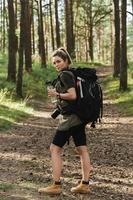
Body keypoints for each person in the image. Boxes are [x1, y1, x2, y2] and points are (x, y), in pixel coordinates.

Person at [38, 47, 92, 195]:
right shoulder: (73, 73)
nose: (56, 64)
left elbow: (72, 95)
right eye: (54, 62)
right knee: (82, 149)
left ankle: (56, 185)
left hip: (71, 119)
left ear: (66, 61)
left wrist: (56, 94)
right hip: (79, 117)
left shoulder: (65, 75)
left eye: (59, 61)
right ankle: (85, 184)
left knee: (54, 149)